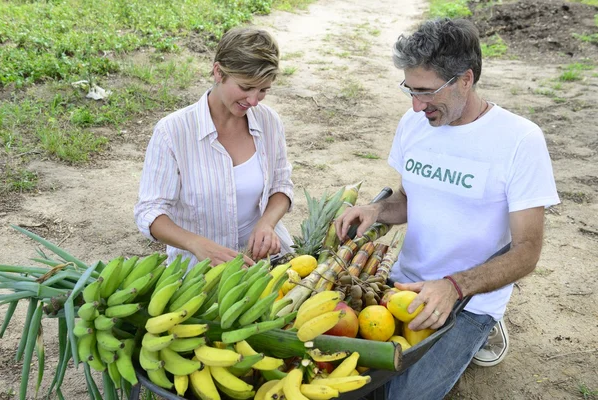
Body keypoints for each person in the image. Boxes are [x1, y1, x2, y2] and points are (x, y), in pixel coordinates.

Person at [335, 18, 559, 399]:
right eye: (409, 89)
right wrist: (376, 211)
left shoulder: (520, 139)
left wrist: (456, 287)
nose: (415, 104)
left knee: (405, 395)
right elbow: (409, 200)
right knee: (349, 379)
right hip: (403, 283)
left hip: (469, 299)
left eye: (425, 91)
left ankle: (485, 329)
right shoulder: (414, 123)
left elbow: (527, 252)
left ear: (465, 80)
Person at [134, 27, 294, 269]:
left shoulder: (269, 122)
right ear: (219, 72)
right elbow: (150, 212)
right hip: (198, 270)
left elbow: (281, 186)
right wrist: (199, 245)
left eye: (263, 90)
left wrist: (267, 223)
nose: (253, 101)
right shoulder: (173, 131)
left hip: (267, 260)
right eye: (246, 87)